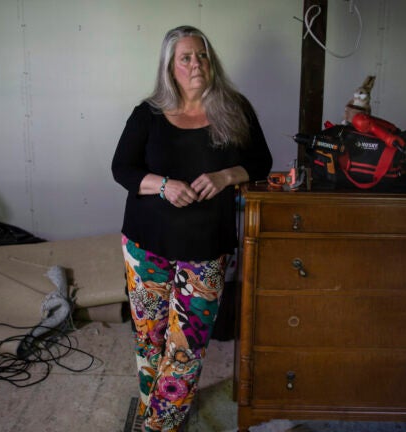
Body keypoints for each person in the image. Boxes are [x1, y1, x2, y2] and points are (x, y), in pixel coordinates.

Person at [111, 25, 272, 431]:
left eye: (201, 55)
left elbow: (261, 162)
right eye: (186, 57)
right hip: (146, 244)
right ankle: (154, 410)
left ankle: (158, 426)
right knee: (151, 339)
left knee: (187, 347)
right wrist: (163, 186)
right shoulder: (147, 113)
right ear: (170, 66)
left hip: (206, 247)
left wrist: (224, 176)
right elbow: (122, 169)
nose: (196, 63)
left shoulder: (234, 108)